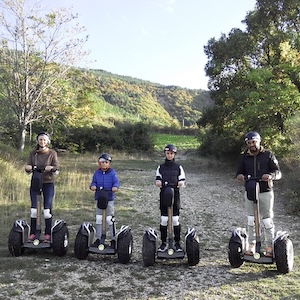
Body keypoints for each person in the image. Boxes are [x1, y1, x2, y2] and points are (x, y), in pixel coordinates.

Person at [236, 131, 282, 256]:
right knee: (251, 219)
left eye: (254, 142)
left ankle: (269, 246)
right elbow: (239, 172)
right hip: (250, 190)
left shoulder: (268, 155)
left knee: (267, 220)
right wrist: (240, 176)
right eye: (249, 143)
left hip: (265, 191)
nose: (252, 145)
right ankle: (251, 245)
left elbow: (278, 173)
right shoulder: (245, 157)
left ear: (259, 141)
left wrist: (270, 176)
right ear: (247, 144)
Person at [25, 132, 59, 242]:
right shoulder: (33, 154)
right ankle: (33, 233)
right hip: (35, 183)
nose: (42, 142)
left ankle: (48, 234)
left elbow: (56, 168)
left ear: (48, 141)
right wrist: (28, 167)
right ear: (37, 141)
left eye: (44, 140)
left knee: (46, 211)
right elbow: (27, 167)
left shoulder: (52, 153)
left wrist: (52, 168)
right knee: (34, 210)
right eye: (40, 140)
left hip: (48, 183)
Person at [155, 144, 186, 252]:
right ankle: (163, 242)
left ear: (174, 154)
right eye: (168, 153)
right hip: (164, 194)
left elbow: (182, 179)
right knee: (164, 220)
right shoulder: (161, 167)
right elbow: (158, 178)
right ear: (165, 154)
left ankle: (177, 242)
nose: (169, 155)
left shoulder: (178, 167)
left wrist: (181, 182)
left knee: (175, 220)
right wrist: (158, 182)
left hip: (175, 195)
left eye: (171, 153)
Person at [90, 153, 120, 248]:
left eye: (106, 162)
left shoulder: (112, 173)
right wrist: (93, 186)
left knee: (109, 219)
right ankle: (99, 238)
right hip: (99, 197)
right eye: (102, 162)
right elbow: (93, 182)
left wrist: (115, 187)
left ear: (109, 163)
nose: (104, 164)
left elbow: (116, 182)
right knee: (99, 218)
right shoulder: (97, 173)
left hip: (109, 198)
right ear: (99, 163)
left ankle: (113, 239)